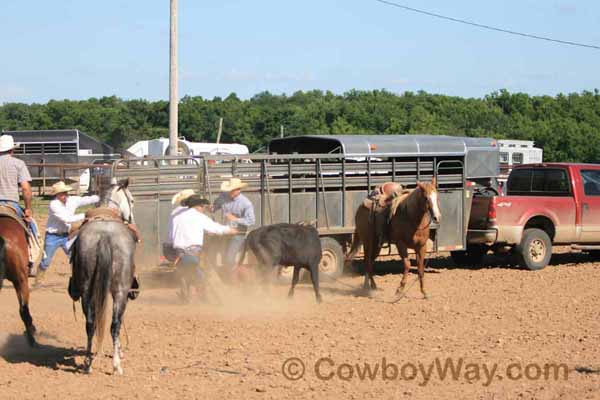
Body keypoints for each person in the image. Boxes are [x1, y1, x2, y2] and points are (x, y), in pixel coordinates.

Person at [169, 193, 236, 299]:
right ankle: (208, 295)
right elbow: (215, 228)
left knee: (186, 271)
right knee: (206, 273)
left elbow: (171, 236)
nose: (203, 208)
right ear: (198, 206)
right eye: (202, 206)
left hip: (178, 253)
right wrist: (230, 230)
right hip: (194, 252)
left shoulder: (176, 217)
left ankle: (188, 291)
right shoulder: (199, 217)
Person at [35, 181, 99, 287]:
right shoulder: (54, 204)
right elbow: (67, 219)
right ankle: (38, 280)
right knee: (46, 261)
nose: (65, 195)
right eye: (62, 193)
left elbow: (86, 200)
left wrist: (100, 197)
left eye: (65, 192)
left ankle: (78, 278)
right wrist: (86, 215)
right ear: (57, 195)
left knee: (75, 257)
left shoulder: (72, 200)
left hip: (66, 236)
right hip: (53, 236)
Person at [0, 134, 39, 275]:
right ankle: (30, 261)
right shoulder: (18, 164)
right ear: (12, 150)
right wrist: (28, 209)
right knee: (32, 227)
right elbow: (26, 189)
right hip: (11, 204)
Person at [212, 177, 255, 277]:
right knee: (222, 256)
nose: (229, 191)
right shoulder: (224, 196)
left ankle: (235, 278)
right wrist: (212, 208)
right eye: (229, 189)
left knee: (229, 258)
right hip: (225, 231)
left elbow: (251, 221)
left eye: (232, 190)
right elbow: (215, 207)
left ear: (238, 190)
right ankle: (232, 275)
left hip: (237, 233)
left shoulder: (246, 203)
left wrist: (235, 219)